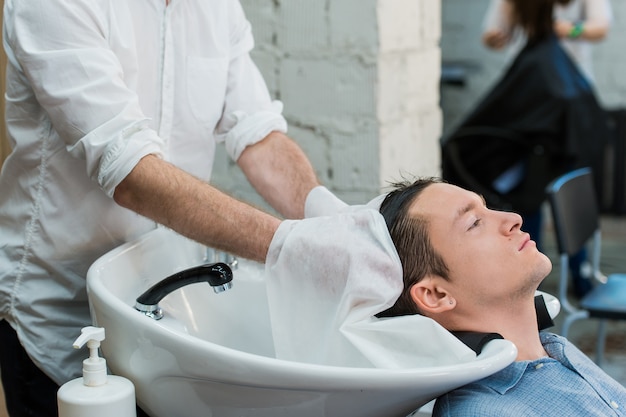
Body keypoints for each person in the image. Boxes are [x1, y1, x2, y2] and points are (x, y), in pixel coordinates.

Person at [0, 1, 344, 416]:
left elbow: (256, 134)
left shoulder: (217, 10)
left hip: (159, 313)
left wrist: (333, 219)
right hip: (59, 317)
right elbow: (132, 175)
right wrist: (291, 247)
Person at [377, 177, 626, 416]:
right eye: (474, 222)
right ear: (436, 294)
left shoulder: (555, 348)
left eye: (487, 208)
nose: (513, 218)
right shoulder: (482, 411)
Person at [481, 0, 612, 298]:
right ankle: (529, 280)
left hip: (567, 114)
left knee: (572, 199)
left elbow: (600, 27)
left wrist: (566, 29)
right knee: (528, 198)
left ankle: (581, 275)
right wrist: (496, 37)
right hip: (530, 108)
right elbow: (491, 33)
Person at [483, 0, 612, 82]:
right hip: (524, 76)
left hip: (572, 75)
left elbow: (601, 28)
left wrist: (570, 30)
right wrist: (493, 39)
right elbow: (494, 31)